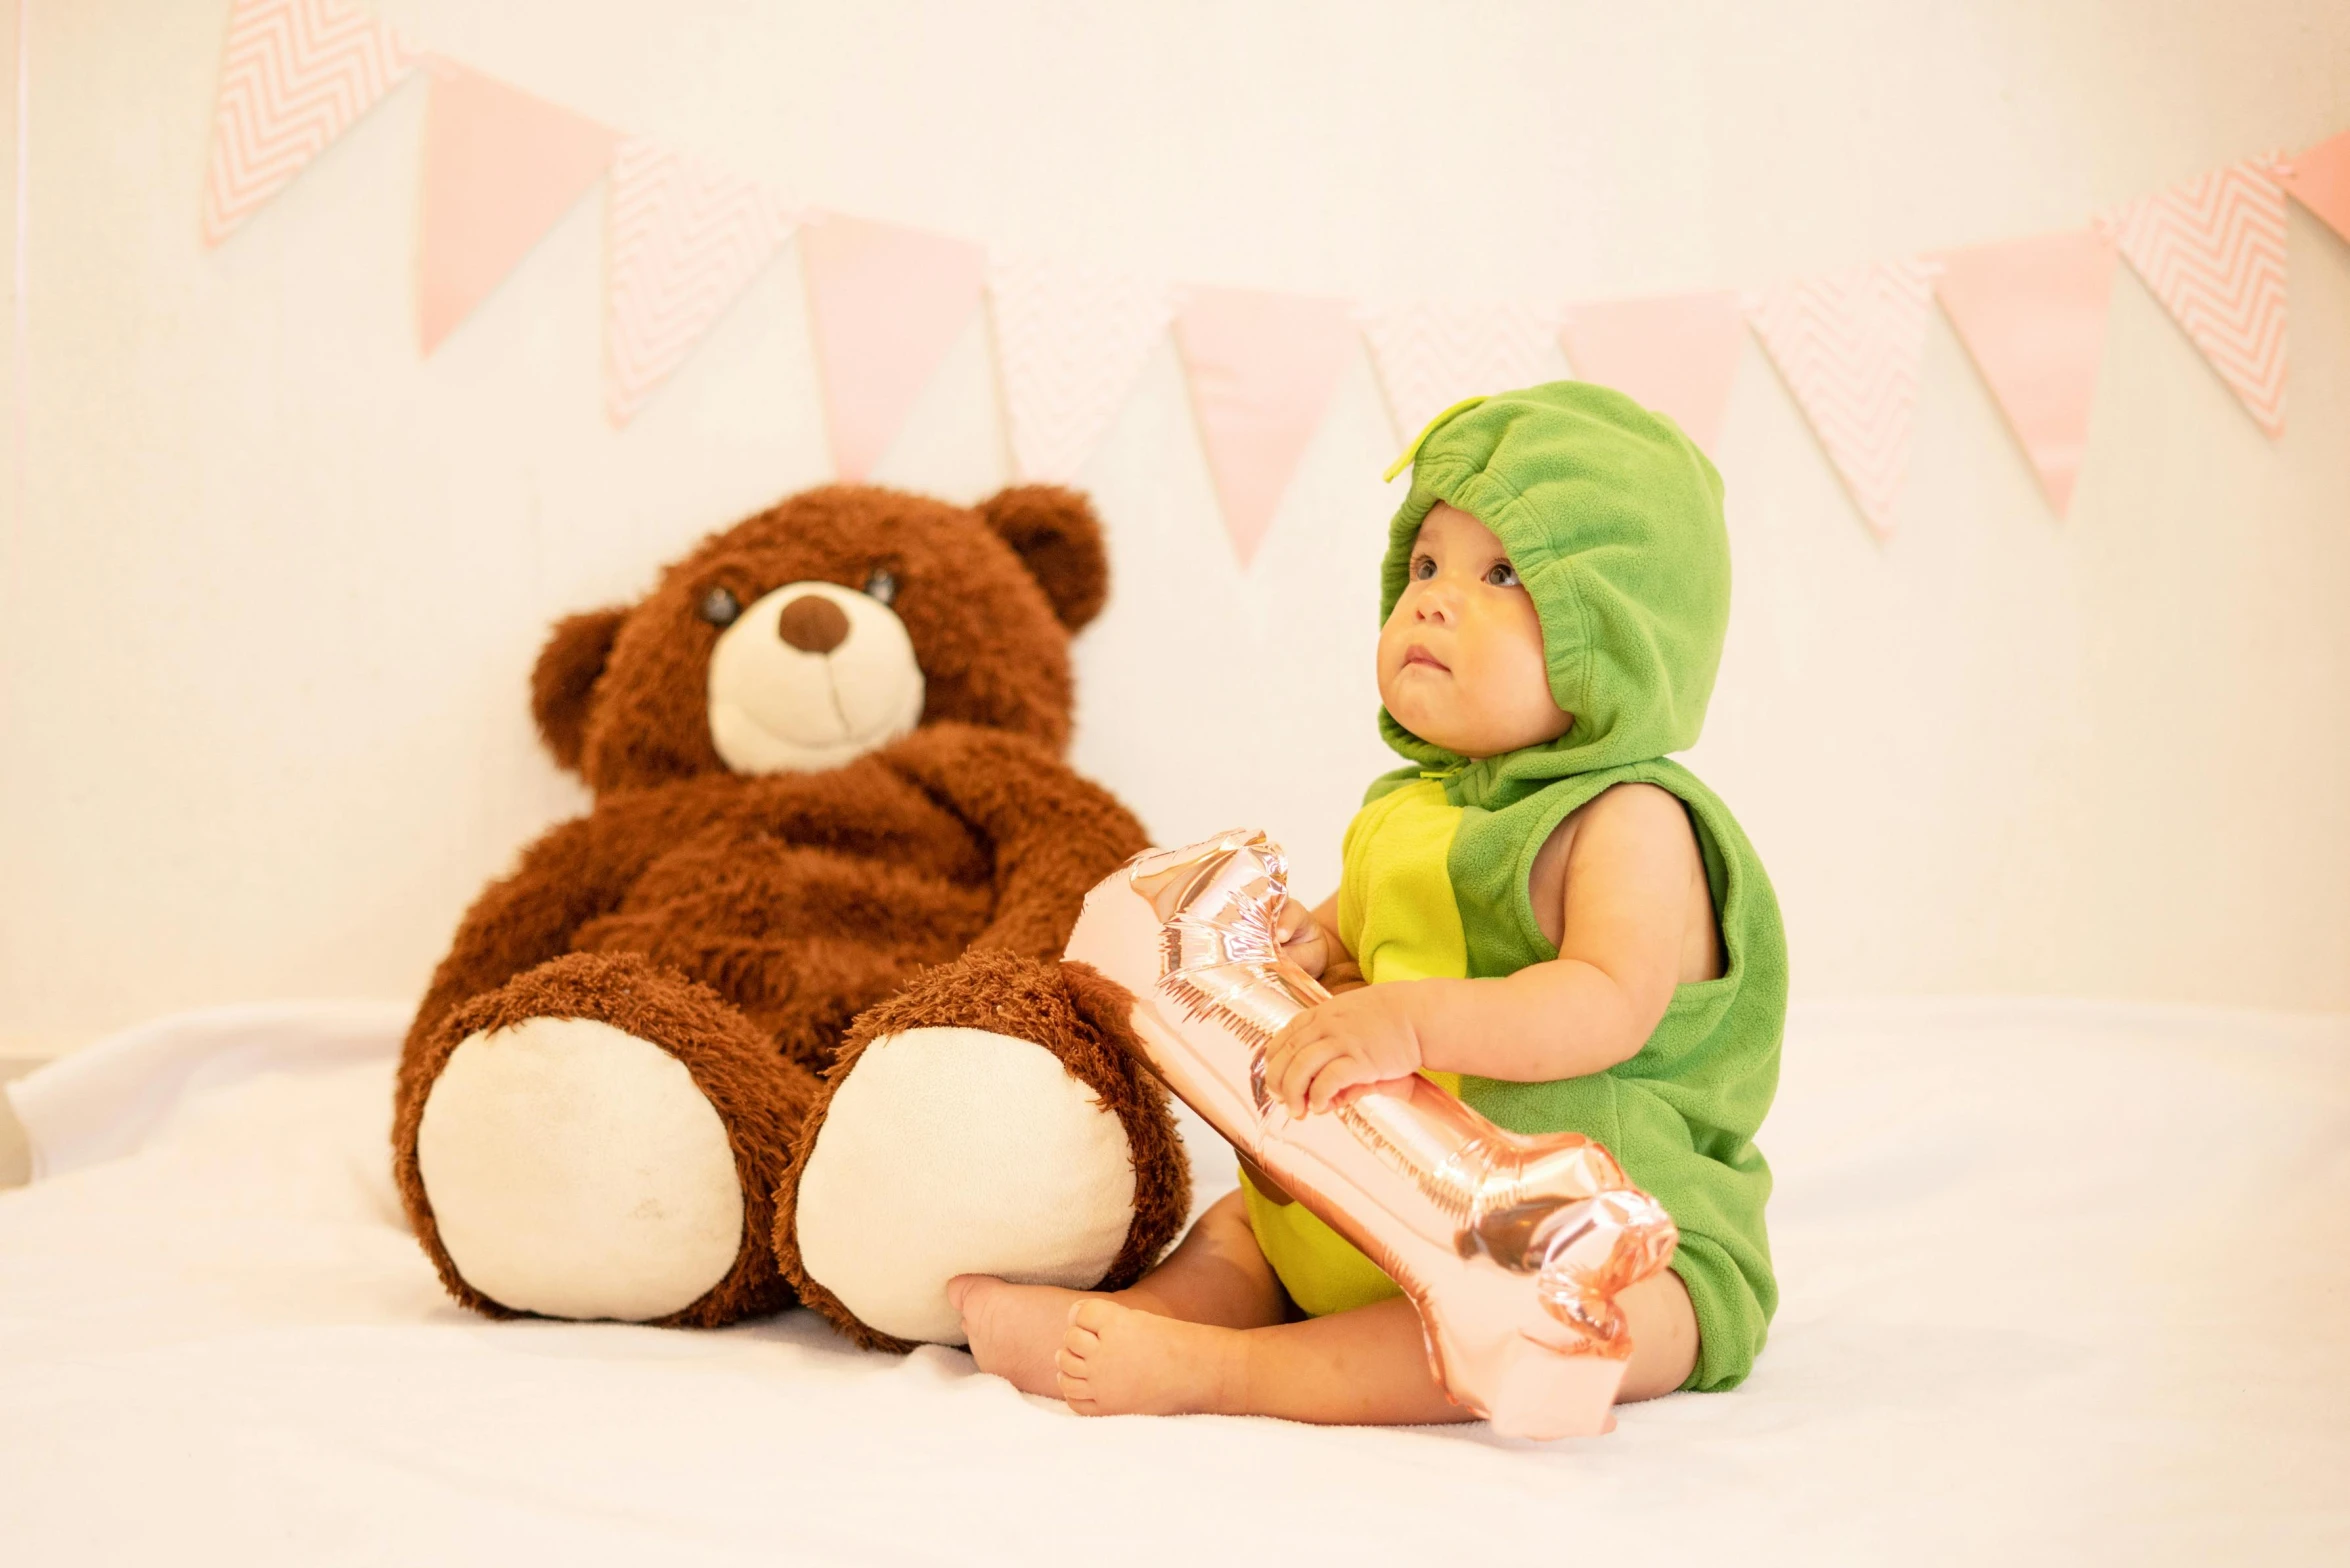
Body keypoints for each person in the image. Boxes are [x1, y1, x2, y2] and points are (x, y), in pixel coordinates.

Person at [951, 382, 1788, 1422]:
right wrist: (1302, 946)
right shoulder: (1409, 806)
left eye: (1503, 573)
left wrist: (1408, 1016)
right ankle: (1150, 1315)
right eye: (1426, 565)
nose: (1435, 597)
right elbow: (1356, 929)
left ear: (1620, 630)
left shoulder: (1630, 818)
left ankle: (1220, 1373)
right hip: (1381, 1190)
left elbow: (1603, 999)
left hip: (1584, 1231)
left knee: (1595, 1325)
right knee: (1247, 1229)